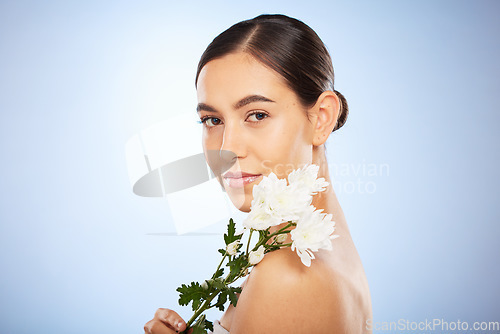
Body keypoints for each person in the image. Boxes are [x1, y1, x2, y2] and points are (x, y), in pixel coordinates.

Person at [144, 14, 372, 334]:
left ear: (321, 118)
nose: (228, 147)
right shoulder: (317, 251)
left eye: (257, 114)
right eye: (212, 120)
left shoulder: (288, 276)